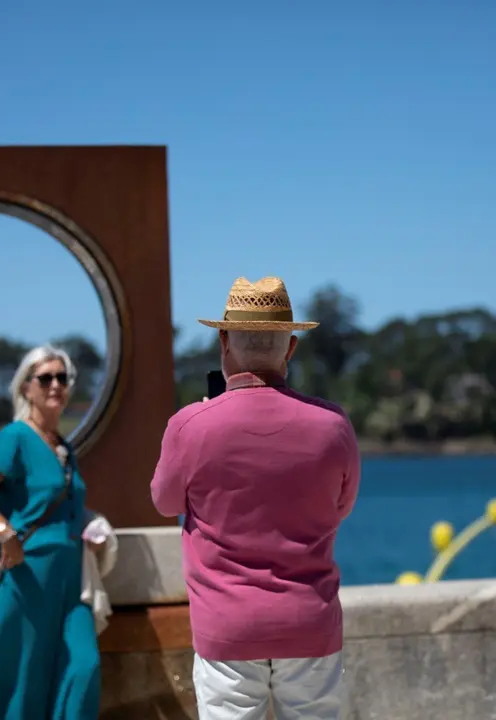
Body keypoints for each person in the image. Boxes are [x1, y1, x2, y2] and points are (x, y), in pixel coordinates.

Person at [150, 276, 361, 720]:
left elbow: (165, 503)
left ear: (223, 341)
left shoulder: (189, 426)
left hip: (226, 627)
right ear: (290, 349)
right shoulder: (333, 425)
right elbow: (341, 507)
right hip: (309, 622)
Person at [0, 345, 103, 719]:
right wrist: (5, 532)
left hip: (71, 581)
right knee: (22, 679)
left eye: (62, 377)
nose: (56, 384)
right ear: (26, 388)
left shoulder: (63, 446)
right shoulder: (15, 437)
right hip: (28, 575)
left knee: (82, 666)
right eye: (46, 378)